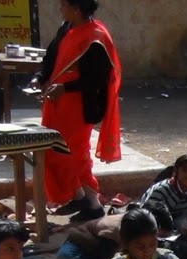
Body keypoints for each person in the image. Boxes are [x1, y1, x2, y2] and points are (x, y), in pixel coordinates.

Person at [29, 0, 121, 223]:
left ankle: (82, 198)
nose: (60, 9)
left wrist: (65, 88)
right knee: (55, 150)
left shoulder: (96, 37)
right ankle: (89, 203)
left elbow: (98, 79)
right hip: (56, 103)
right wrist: (39, 78)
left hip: (79, 106)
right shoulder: (66, 28)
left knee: (70, 154)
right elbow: (50, 59)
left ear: (76, 8)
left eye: (63, 5)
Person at [141, 153, 187, 259]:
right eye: (185, 169)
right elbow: (146, 217)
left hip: (174, 234)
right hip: (152, 233)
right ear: (176, 170)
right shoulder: (162, 190)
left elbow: (186, 218)